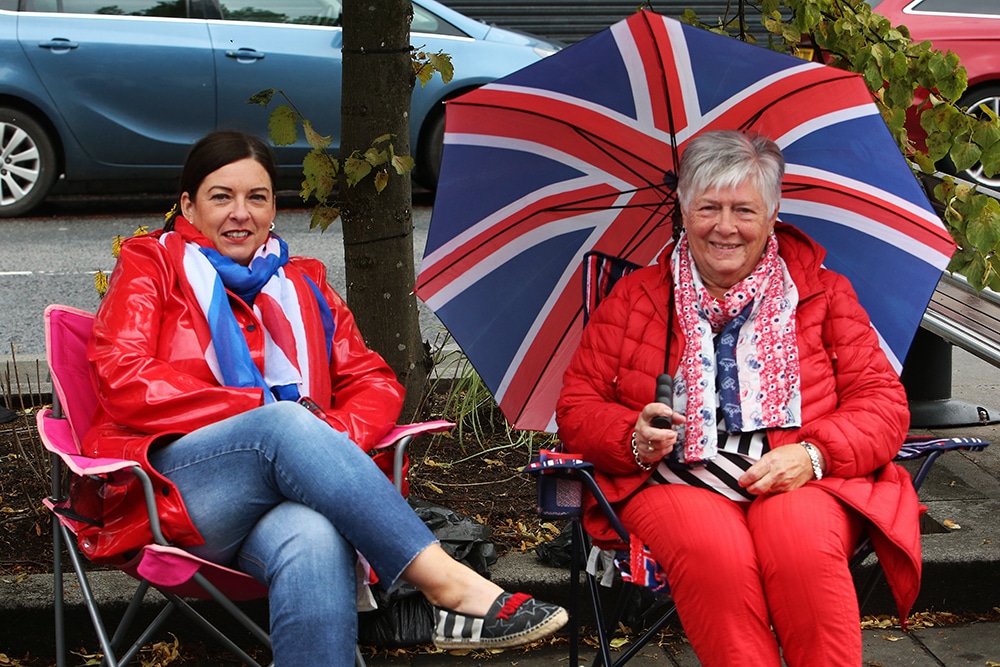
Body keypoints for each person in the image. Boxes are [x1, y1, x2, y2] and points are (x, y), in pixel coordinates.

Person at [83, 130, 567, 666]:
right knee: (282, 424)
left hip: (289, 496)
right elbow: (123, 376)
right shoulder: (150, 266)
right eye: (221, 196)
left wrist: (326, 440)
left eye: (257, 197)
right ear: (188, 207)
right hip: (176, 491)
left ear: (274, 210)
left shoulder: (304, 282)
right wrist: (268, 416)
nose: (239, 213)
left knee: (313, 537)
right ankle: (447, 585)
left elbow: (372, 379)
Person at [556, 130, 920, 666]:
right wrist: (631, 435)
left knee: (802, 552)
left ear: (772, 216)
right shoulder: (635, 297)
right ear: (683, 209)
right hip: (674, 481)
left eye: (744, 210)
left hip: (798, 475)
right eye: (708, 207)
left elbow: (884, 404)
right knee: (715, 557)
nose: (725, 227)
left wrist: (813, 454)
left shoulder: (822, 292)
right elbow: (578, 404)